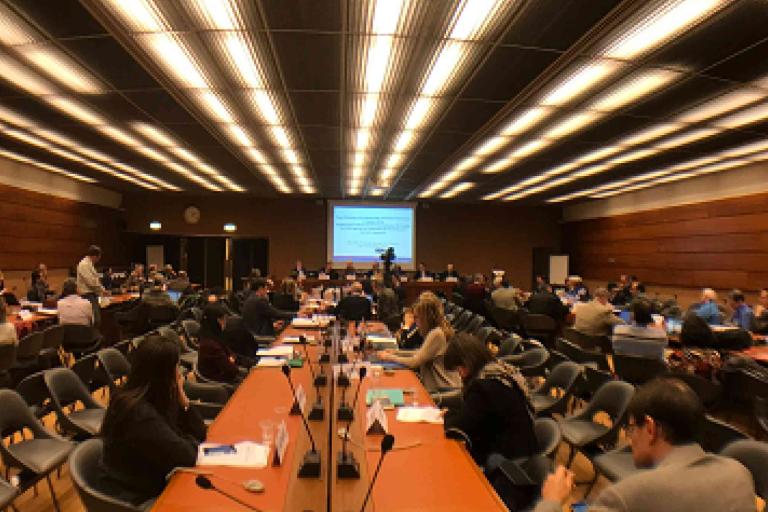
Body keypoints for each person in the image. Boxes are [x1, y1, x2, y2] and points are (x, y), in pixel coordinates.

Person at [533, 378, 756, 512]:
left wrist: (551, 500)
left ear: (650, 428)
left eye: (630, 429)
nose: (629, 439)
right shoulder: (741, 474)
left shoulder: (628, 496)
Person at [101, 334, 206, 506]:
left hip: (156, 476)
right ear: (164, 373)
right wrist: (187, 441)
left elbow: (199, 433)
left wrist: (184, 401)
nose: (179, 373)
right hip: (138, 495)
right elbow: (187, 456)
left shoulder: (157, 396)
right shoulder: (138, 413)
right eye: (176, 367)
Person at [443, 333, 537, 467]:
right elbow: (473, 414)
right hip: (522, 445)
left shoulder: (484, 386)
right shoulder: (497, 369)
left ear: (468, 361)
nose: (460, 374)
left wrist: (446, 415)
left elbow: (459, 426)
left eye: (459, 368)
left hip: (509, 461)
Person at [377, 294, 461, 393]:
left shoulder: (437, 334)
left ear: (426, 317)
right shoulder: (436, 330)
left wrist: (389, 357)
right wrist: (395, 352)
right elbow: (420, 353)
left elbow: (415, 362)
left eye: (417, 317)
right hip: (437, 387)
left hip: (442, 389)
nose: (415, 321)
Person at [197, 303, 246, 385]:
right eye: (223, 319)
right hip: (219, 383)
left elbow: (232, 355)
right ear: (216, 321)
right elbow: (231, 370)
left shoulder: (213, 336)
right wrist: (230, 360)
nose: (225, 322)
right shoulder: (210, 344)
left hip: (225, 377)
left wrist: (231, 359)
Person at [77, 245, 106, 325]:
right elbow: (91, 282)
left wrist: (102, 289)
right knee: (95, 320)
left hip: (92, 295)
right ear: (94, 256)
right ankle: (93, 336)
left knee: (96, 319)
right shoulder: (84, 264)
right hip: (87, 296)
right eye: (98, 257)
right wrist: (102, 290)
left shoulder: (89, 264)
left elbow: (95, 280)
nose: (98, 260)